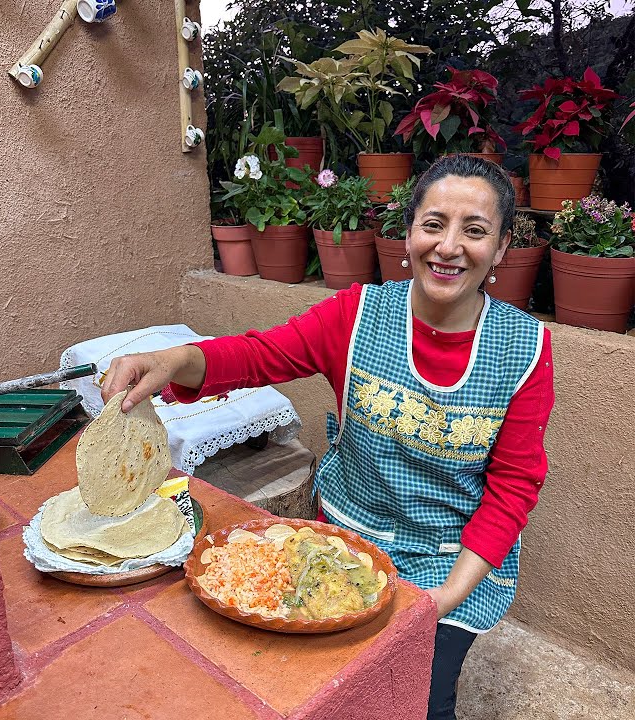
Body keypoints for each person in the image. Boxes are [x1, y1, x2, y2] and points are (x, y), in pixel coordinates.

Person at [100, 155, 554, 720]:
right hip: (346, 541)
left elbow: (513, 487)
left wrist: (442, 600)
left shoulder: (523, 348)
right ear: (409, 230)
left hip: (447, 562)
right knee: (328, 689)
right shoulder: (357, 314)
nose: (449, 246)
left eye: (475, 230)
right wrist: (173, 359)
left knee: (418, 697)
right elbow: (259, 354)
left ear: (503, 248)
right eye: (433, 224)